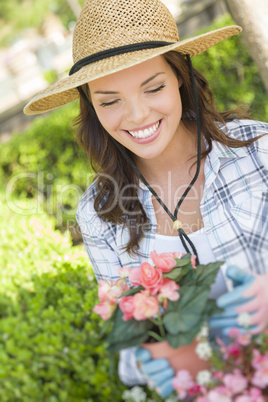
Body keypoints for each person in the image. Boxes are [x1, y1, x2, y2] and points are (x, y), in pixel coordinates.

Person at [24, 0, 268, 397]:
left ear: (180, 78)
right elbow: (131, 348)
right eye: (109, 101)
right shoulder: (98, 215)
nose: (137, 115)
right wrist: (160, 359)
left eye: (153, 88)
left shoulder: (259, 152)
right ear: (90, 108)